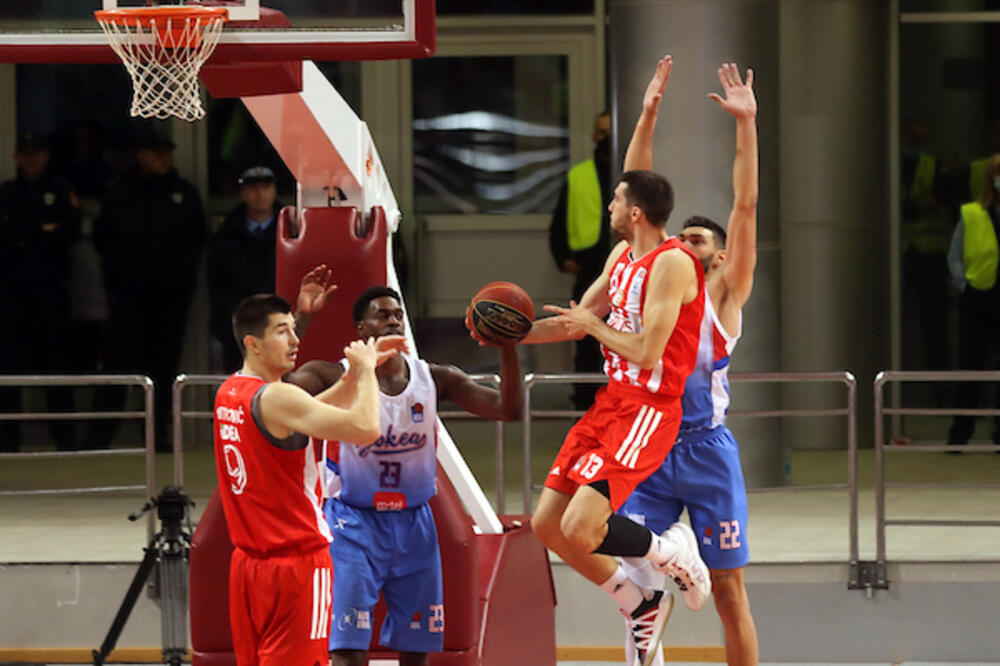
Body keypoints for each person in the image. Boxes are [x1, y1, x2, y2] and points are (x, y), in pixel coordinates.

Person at [506, 120, 712, 664]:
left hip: (649, 408)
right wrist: (508, 333)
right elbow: (574, 322)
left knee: (581, 526)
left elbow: (646, 351)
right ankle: (638, 602)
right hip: (612, 402)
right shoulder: (621, 256)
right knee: (547, 526)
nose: (609, 205)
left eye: (617, 199)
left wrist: (593, 326)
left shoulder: (673, 263)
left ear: (635, 212)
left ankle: (671, 550)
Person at [286, 286, 522, 666]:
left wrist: (507, 347)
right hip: (352, 524)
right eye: (382, 315)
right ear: (361, 329)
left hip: (415, 525)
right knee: (347, 651)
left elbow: (507, 409)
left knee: (416, 653)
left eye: (398, 314)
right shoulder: (332, 375)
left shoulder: (434, 378)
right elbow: (279, 393)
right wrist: (303, 317)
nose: (393, 320)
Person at [617, 58, 760, 666]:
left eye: (698, 240)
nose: (683, 243)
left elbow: (745, 204)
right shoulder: (656, 275)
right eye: (681, 237)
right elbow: (635, 191)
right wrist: (647, 113)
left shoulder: (724, 295)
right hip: (650, 442)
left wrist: (746, 124)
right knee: (639, 586)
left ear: (722, 258)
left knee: (728, 591)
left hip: (704, 449)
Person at [213, 293, 386, 666]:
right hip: (297, 565)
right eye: (282, 331)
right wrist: (368, 372)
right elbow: (366, 428)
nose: (295, 341)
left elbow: (309, 410)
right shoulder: (277, 397)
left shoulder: (230, 391)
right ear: (253, 343)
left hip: (248, 565)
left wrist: (351, 379)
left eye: (294, 329)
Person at [87, 132, 207, 450]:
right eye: (155, 153)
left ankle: (157, 435)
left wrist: (182, 279)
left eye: (166, 153)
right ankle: (100, 436)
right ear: (140, 155)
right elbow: (103, 239)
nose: (162, 159)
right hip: (128, 296)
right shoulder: (119, 192)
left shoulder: (184, 193)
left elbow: (197, 239)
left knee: (164, 367)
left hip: (170, 297)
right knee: (118, 363)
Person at [0, 131, 81, 452]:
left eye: (37, 152)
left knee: (57, 364)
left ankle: (64, 438)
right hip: (12, 292)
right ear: (16, 156)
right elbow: (4, 237)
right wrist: (41, 229)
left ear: (46, 155)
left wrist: (24, 233)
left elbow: (69, 233)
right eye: (26, 153)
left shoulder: (60, 190)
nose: (31, 158)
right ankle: (7, 439)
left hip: (52, 290)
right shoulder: (6, 193)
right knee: (9, 365)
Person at [549, 111, 614, 409]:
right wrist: (562, 256)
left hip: (624, 265)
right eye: (601, 132)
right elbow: (560, 220)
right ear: (593, 137)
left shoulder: (629, 170)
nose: (606, 138)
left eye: (610, 131)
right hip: (589, 268)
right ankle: (585, 405)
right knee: (586, 340)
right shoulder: (580, 175)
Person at [946, 153, 1000, 452]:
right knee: (970, 365)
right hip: (979, 296)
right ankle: (960, 432)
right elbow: (955, 255)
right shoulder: (972, 214)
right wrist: (964, 284)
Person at [208, 166, 284, 372]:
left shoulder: (290, 231)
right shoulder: (226, 235)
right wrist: (225, 322)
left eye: (266, 187)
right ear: (242, 193)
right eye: (253, 188)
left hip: (280, 320)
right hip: (239, 323)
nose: (260, 193)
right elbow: (217, 285)